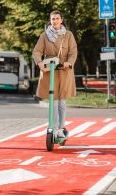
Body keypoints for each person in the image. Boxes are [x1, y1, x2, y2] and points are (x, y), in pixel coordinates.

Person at [32, 10, 77, 138]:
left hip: (64, 71)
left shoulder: (68, 35)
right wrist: (39, 62)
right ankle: (54, 128)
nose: (55, 21)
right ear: (50, 21)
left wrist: (69, 62)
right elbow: (36, 51)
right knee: (54, 101)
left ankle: (61, 127)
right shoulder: (44, 36)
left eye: (57, 18)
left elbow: (73, 52)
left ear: (61, 20)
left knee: (62, 101)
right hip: (50, 71)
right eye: (53, 19)